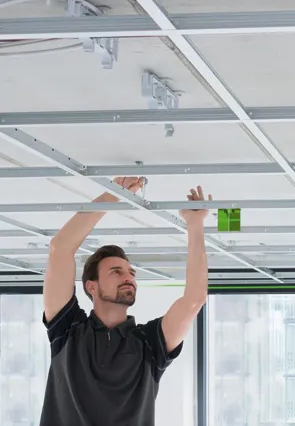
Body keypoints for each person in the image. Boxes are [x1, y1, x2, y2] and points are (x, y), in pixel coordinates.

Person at [39, 176, 211, 426]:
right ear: (91, 286)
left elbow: (195, 299)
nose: (129, 277)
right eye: (116, 272)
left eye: (131, 273)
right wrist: (111, 195)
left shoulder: (150, 344)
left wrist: (195, 224)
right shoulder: (66, 331)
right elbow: (60, 248)